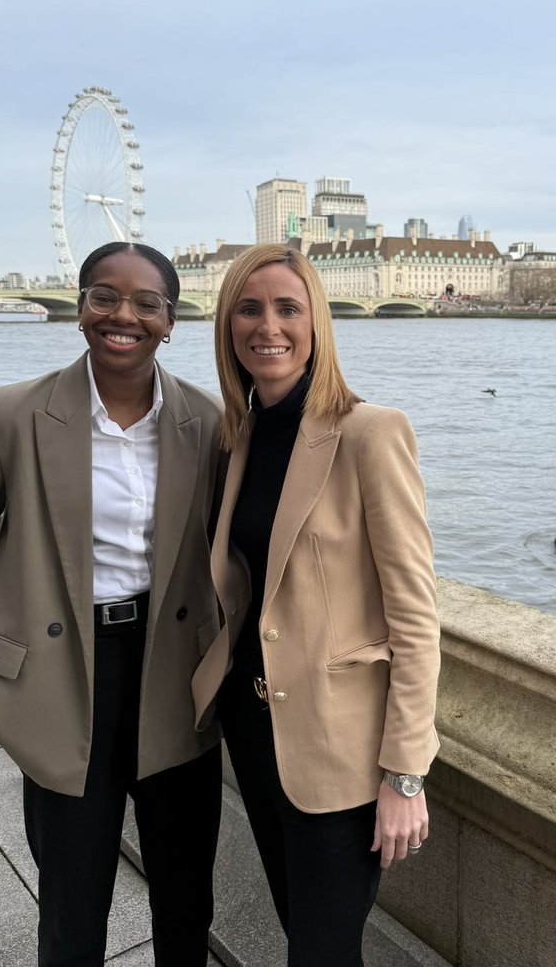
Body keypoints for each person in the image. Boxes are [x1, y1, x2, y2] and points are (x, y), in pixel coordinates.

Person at [0, 242, 225, 967]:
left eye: (146, 303)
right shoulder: (11, 415)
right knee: (72, 900)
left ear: (170, 321)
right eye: (104, 296)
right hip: (63, 675)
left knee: (186, 894)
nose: (124, 315)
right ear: (79, 307)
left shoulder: (207, 420)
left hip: (173, 673)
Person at [191, 244, 441, 967]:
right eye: (248, 308)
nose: (267, 326)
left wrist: (404, 774)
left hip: (339, 750)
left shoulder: (369, 433)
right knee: (298, 928)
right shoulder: (237, 438)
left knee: (322, 951)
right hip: (254, 730)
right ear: (227, 325)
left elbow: (415, 618)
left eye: (287, 308)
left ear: (316, 324)